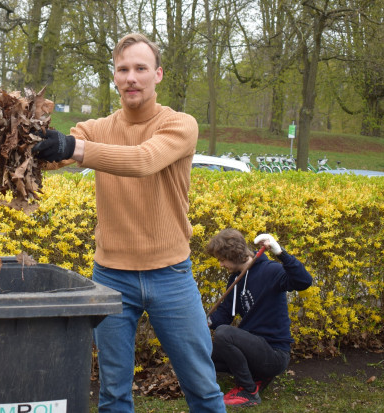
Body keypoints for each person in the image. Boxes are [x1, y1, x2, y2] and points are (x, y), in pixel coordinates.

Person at [31, 33, 225, 412]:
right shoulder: (96, 129)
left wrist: (73, 148)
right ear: (114, 78)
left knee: (202, 387)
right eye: (123, 69)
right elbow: (55, 157)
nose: (131, 77)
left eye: (140, 68)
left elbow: (143, 160)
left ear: (158, 74)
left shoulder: (181, 125)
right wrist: (25, 140)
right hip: (111, 276)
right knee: (113, 394)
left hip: (171, 275)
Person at [206, 228, 313, 407]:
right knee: (203, 353)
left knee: (224, 333)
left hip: (274, 353)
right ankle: (257, 378)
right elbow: (224, 315)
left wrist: (280, 252)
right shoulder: (236, 279)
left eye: (222, 259)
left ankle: (249, 391)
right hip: (254, 351)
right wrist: (201, 323)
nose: (221, 265)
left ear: (232, 255)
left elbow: (304, 281)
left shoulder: (271, 270)